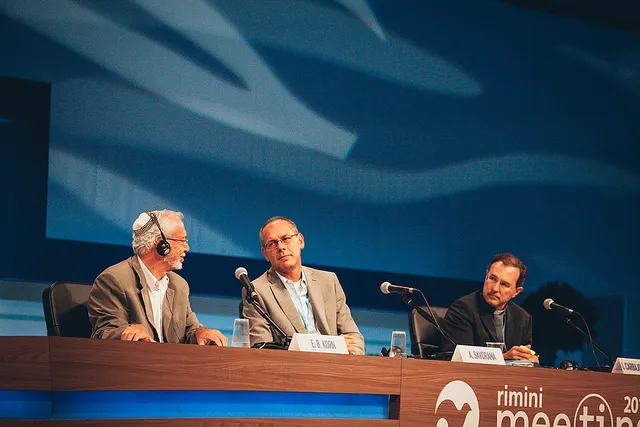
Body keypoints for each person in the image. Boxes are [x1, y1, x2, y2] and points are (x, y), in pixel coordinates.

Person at [88, 210, 227, 346]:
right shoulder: (114, 280)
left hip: (171, 366)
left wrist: (200, 333)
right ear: (162, 245)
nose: (187, 248)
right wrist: (128, 333)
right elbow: (104, 333)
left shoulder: (179, 285)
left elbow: (188, 331)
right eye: (182, 240)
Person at [242, 216, 364, 355]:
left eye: (286, 239)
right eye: (272, 243)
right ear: (265, 254)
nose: (281, 247)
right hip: (292, 371)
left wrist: (350, 354)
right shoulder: (256, 291)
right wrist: (334, 346)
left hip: (335, 368)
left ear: (300, 240)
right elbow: (263, 348)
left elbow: (354, 337)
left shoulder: (328, 281)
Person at [441, 253, 538, 361]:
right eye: (492, 278)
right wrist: (504, 357)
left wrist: (530, 359)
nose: (495, 288)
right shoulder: (462, 309)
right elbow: (459, 358)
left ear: (516, 292)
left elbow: (524, 357)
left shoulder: (522, 317)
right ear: (486, 276)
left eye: (504, 284)